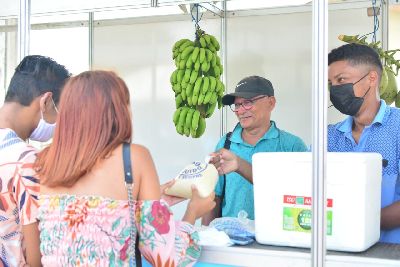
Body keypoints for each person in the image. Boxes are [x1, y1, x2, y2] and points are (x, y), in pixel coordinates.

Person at [34, 70, 215, 266]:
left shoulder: (43, 161)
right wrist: (193, 212)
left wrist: (157, 202)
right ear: (117, 110)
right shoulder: (134, 157)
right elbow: (164, 255)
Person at [202, 75, 308, 225]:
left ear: (271, 103)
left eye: (248, 102)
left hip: (275, 237)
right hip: (230, 237)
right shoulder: (226, 144)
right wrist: (206, 235)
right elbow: (214, 196)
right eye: (237, 105)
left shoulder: (292, 146)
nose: (240, 110)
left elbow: (303, 199)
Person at [0, 55, 70, 266]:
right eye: (61, 111)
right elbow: (37, 258)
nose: (60, 121)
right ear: (46, 101)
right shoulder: (25, 160)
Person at [327, 43, 400, 244]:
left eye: (341, 80)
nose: (335, 89)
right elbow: (295, 180)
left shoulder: (397, 128)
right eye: (331, 83)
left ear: (371, 78)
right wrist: (239, 164)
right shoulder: (330, 136)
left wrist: (357, 222)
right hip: (339, 250)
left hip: (391, 254)